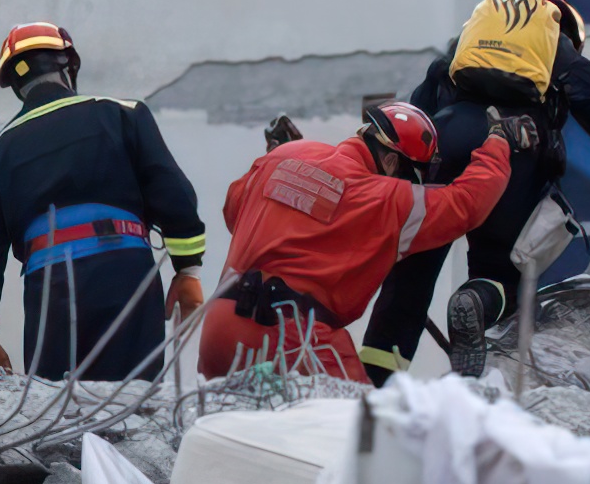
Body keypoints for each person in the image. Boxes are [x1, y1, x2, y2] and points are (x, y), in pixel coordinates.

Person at [360, 0, 590, 384]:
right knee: (503, 270)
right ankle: (477, 301)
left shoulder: (469, 42)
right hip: (513, 147)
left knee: (413, 271)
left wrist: (399, 172)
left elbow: (420, 103)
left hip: (444, 141)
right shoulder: (555, 42)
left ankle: (375, 384)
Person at [197, 100, 537, 382]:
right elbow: (465, 204)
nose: (413, 186)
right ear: (391, 160)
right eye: (413, 176)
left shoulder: (283, 157)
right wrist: (498, 143)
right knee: (361, 446)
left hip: (221, 329)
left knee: (232, 446)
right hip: (296, 341)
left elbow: (235, 211)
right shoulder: (386, 198)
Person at [0, 23, 207, 379]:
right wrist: (188, 269)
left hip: (50, 286)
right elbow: (173, 193)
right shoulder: (123, 113)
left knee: (61, 414)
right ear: (69, 66)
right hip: (126, 272)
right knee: (132, 401)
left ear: (16, 87)